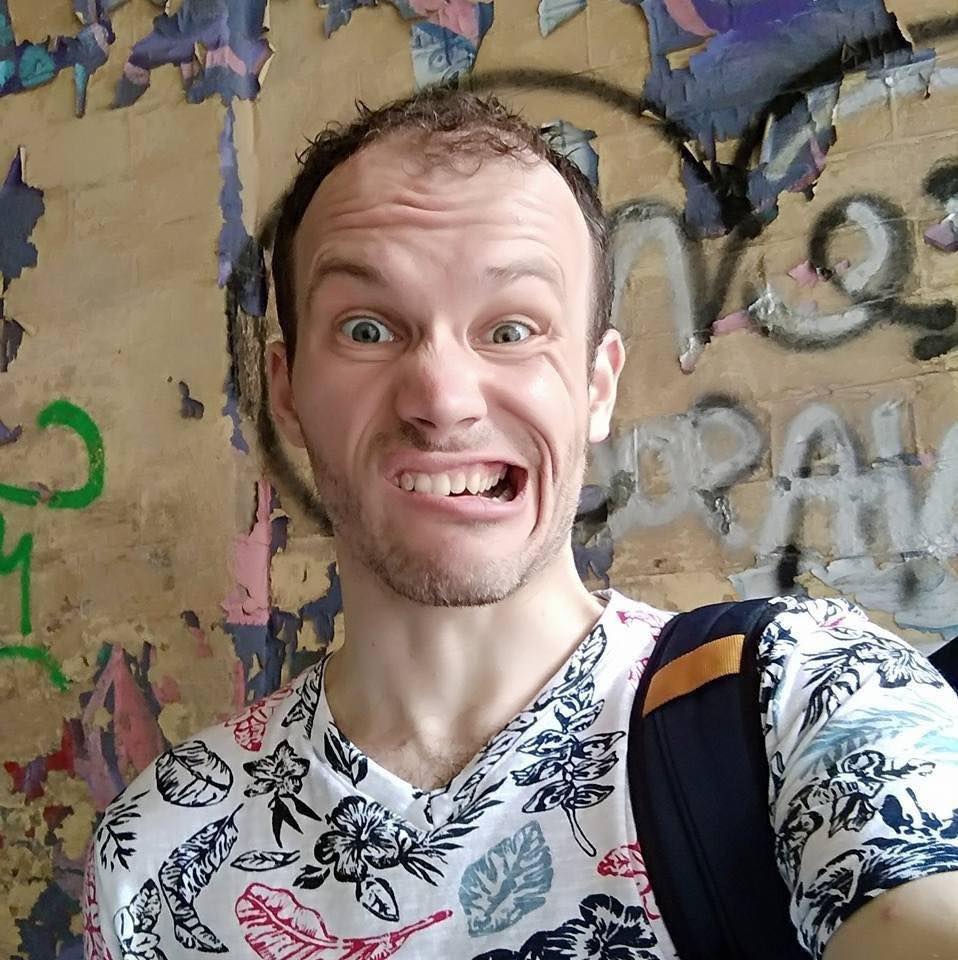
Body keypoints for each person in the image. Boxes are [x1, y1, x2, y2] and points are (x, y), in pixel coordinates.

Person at [84, 88, 958, 960]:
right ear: (286, 392)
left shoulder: (801, 700)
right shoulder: (158, 851)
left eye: (510, 329)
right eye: (366, 328)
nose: (443, 399)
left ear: (596, 386)